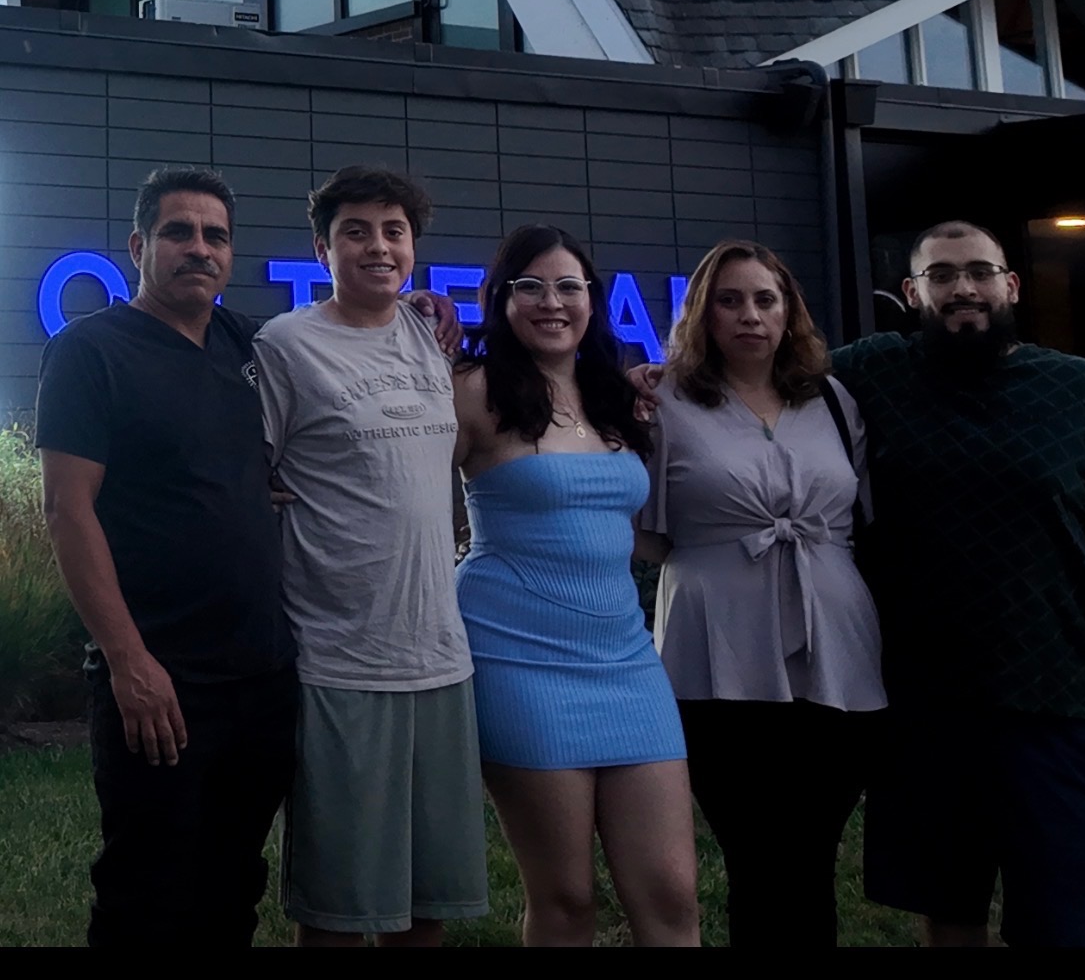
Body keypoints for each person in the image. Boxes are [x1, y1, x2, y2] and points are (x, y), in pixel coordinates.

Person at [832, 218, 1085, 950]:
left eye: (979, 271)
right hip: (924, 703)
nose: (962, 287)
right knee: (949, 910)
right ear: (912, 293)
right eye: (941, 275)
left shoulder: (1078, 389)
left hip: (1059, 701)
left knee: (1067, 921)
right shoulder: (872, 373)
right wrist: (650, 383)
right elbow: (763, 372)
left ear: (1012, 285)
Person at [35, 166, 298, 950]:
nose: (199, 248)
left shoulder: (249, 346)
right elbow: (67, 509)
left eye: (216, 235)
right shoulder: (91, 351)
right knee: (145, 895)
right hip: (160, 676)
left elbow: (346, 344)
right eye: (179, 231)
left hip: (263, 674)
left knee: (233, 887)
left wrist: (425, 310)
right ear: (138, 244)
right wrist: (129, 662)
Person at [253, 165, 488, 949]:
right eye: (355, 231)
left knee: (427, 905)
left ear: (414, 247)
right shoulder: (287, 345)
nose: (378, 246)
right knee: (341, 910)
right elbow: (242, 470)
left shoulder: (429, 332)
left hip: (440, 657)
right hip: (341, 662)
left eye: (394, 231)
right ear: (323, 249)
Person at [634, 238, 886, 951]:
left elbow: (863, 510)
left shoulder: (832, 399)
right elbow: (642, 530)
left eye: (765, 299)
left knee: (811, 852)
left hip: (835, 650)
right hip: (718, 647)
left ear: (788, 312)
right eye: (730, 300)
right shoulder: (663, 400)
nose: (750, 314)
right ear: (703, 314)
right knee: (756, 851)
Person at [452, 224, 700, 949]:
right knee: (565, 899)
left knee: (672, 892)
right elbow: (397, 488)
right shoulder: (473, 392)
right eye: (530, 286)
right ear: (501, 300)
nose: (551, 301)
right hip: (518, 658)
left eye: (568, 286)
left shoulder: (616, 394)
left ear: (593, 299)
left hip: (626, 661)